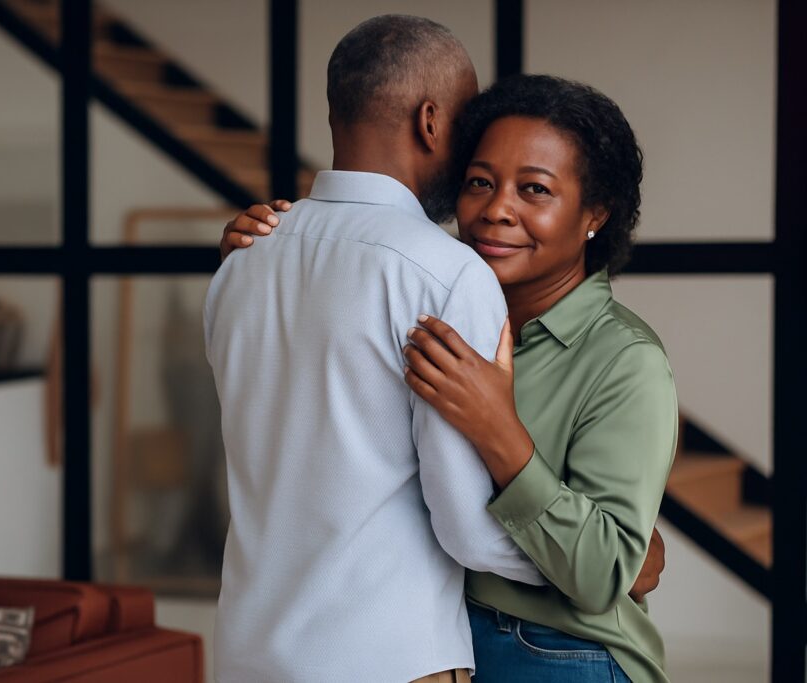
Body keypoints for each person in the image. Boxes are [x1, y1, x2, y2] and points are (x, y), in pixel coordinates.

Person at [222, 74, 677, 682]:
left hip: (560, 650)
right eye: (480, 182)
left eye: (534, 189)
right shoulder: (436, 307)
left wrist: (499, 430)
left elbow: (606, 574)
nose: (496, 210)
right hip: (443, 640)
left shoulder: (625, 359)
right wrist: (267, 257)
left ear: (595, 214)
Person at [204, 15, 544, 683]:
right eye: (467, 123)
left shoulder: (242, 261)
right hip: (389, 659)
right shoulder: (447, 273)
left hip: (249, 655)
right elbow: (465, 527)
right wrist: (595, 566)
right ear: (430, 121)